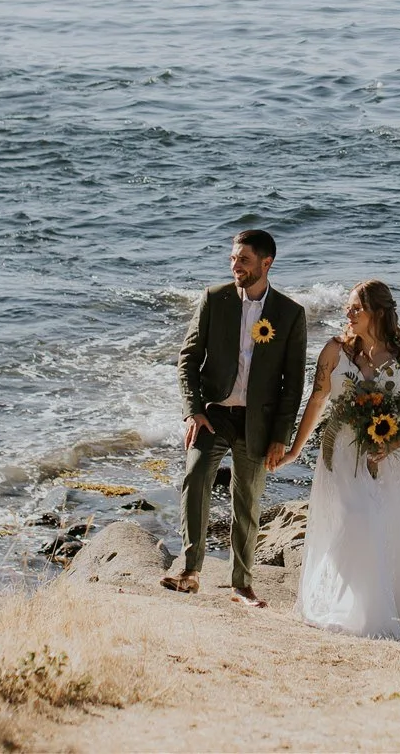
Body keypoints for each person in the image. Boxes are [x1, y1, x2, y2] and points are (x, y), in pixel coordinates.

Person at [284, 279, 400, 639]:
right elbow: (317, 401)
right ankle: (361, 612)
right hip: (344, 452)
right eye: (348, 307)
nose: (347, 313)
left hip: (393, 456)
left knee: (396, 529)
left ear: (377, 313)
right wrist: (295, 449)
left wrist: (391, 445)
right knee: (357, 518)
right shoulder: (335, 352)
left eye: (356, 308)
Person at [165, 229, 308, 607]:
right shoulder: (214, 299)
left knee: (247, 500)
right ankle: (190, 571)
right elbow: (188, 359)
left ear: (266, 263)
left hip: (257, 422)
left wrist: (282, 436)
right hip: (213, 414)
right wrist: (193, 411)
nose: (235, 266)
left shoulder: (291, 314)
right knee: (195, 478)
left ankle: (242, 584)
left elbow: (293, 384)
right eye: (232, 258)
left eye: (243, 259)